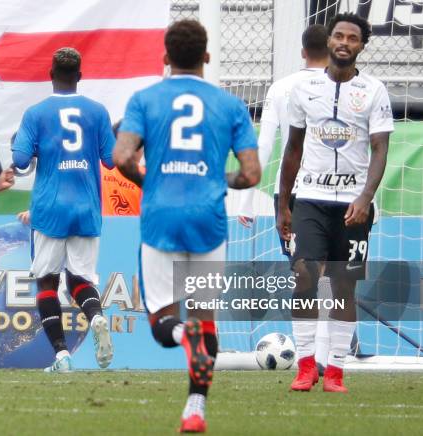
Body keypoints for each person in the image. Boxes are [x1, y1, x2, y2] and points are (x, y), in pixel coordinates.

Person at [113, 20, 260, 433]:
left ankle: (183, 336)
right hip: (208, 218)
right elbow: (251, 174)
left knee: (163, 322)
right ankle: (195, 409)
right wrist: (218, 180)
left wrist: (152, 182)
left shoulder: (144, 99)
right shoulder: (230, 105)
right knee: (205, 317)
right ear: (207, 58)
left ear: (165, 58)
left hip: (161, 216)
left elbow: (122, 157)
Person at [277, 13, 393, 393]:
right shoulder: (304, 89)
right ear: (328, 41)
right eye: (338, 35)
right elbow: (292, 149)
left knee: (344, 286)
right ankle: (306, 367)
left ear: (362, 45)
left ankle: (337, 372)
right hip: (311, 199)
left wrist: (365, 197)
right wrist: (284, 205)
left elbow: (380, 150)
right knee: (305, 276)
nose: (344, 42)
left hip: (353, 206)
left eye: (352, 38)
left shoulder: (374, 91)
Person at [237, 25, 333, 372]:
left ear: (302, 51)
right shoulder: (345, 87)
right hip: (335, 190)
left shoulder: (281, 88)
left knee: (305, 274)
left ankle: (315, 356)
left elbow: (263, 146)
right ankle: (326, 355)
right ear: (334, 48)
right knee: (330, 275)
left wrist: (248, 199)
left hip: (291, 191)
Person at [11, 47, 115, 373]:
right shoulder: (97, 112)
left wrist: (32, 145)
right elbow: (111, 160)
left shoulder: (36, 113)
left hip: (50, 209)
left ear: (50, 75)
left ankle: (61, 356)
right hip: (86, 208)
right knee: (79, 280)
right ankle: (96, 316)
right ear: (80, 77)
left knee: (46, 283)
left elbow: (20, 161)